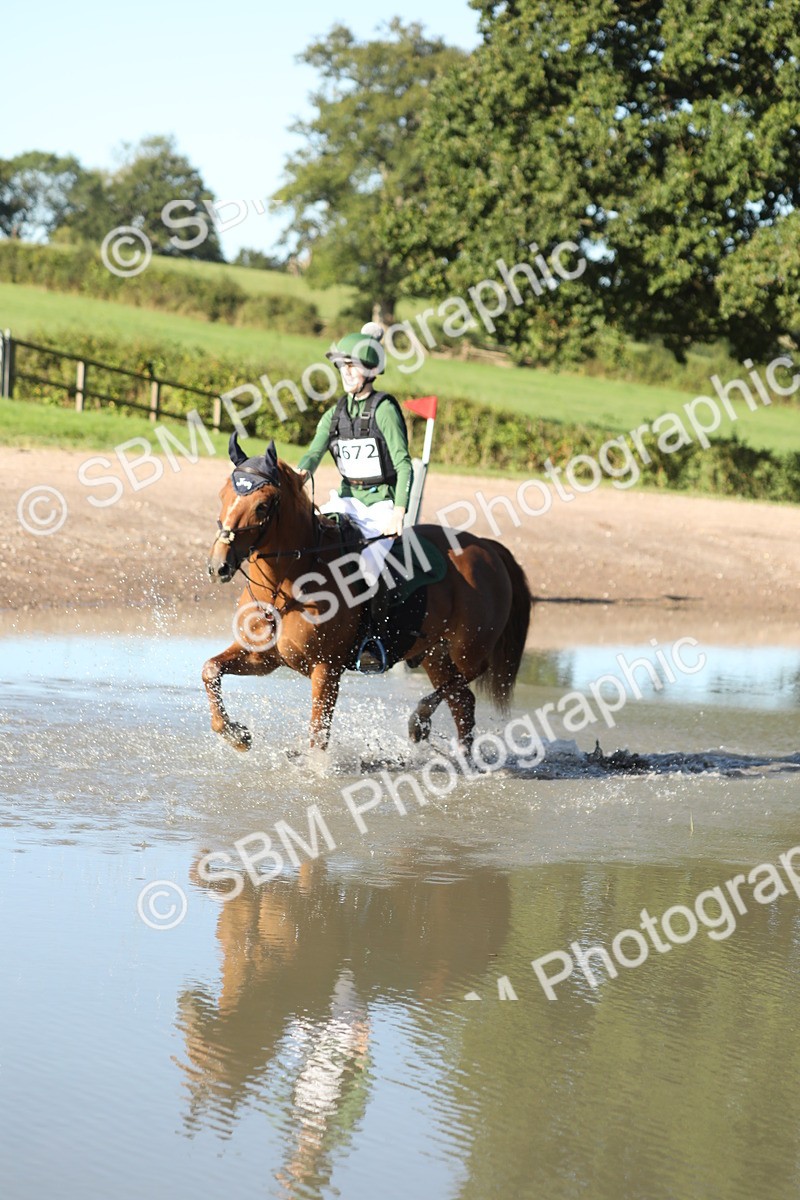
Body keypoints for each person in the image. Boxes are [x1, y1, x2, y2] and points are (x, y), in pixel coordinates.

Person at [297, 322, 413, 673]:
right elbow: (314, 453)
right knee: (311, 540)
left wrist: (399, 512)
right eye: (343, 367)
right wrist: (297, 476)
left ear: (370, 371)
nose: (346, 373)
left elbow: (404, 464)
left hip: (380, 507)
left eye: (353, 367)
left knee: (366, 569)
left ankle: (370, 640)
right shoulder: (336, 412)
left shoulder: (385, 410)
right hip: (346, 501)